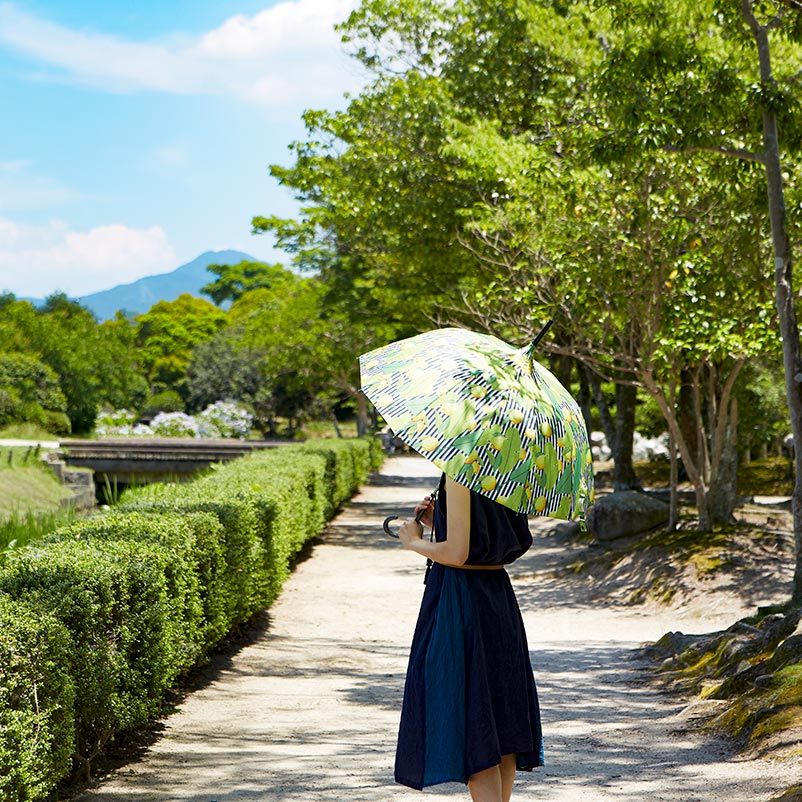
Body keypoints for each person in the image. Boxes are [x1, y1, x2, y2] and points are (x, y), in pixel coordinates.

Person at [393, 473, 544, 802]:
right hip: (498, 599)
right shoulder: (506, 468)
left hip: (462, 601)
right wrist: (442, 520)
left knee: (474, 724)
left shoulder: (462, 474)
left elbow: (458, 553)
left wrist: (414, 541)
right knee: (501, 726)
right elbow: (486, 534)